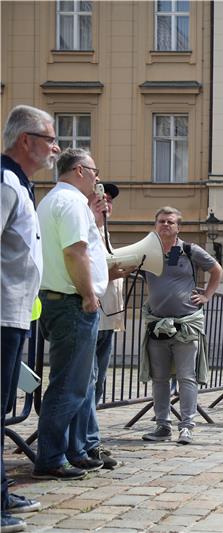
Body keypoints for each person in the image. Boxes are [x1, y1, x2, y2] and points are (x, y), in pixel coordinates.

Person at [33, 148, 108, 480]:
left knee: (77, 382)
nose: (97, 178)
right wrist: (89, 294)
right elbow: (76, 252)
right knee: (68, 386)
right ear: (79, 170)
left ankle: (73, 450)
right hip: (72, 302)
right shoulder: (74, 203)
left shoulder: (50, 200)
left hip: (56, 299)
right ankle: (50, 456)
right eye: (94, 171)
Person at [2, 105, 58, 528]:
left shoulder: (20, 184)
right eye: (50, 138)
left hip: (15, 312)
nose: (56, 148)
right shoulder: (4, 182)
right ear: (26, 140)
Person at [139, 207, 222, 444]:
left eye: (170, 222)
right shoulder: (146, 251)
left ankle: (187, 426)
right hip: (157, 325)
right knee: (160, 379)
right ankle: (162, 426)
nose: (165, 225)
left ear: (178, 227)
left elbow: (216, 269)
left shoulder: (189, 250)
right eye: (161, 221)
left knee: (187, 377)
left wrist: (207, 295)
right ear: (155, 225)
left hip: (186, 324)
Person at [85, 183, 133, 469]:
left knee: (98, 384)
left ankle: (87, 437)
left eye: (108, 202)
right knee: (88, 383)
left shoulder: (105, 234)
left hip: (108, 320)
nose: (106, 205)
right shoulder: (87, 230)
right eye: (100, 200)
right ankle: (88, 443)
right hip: (93, 316)